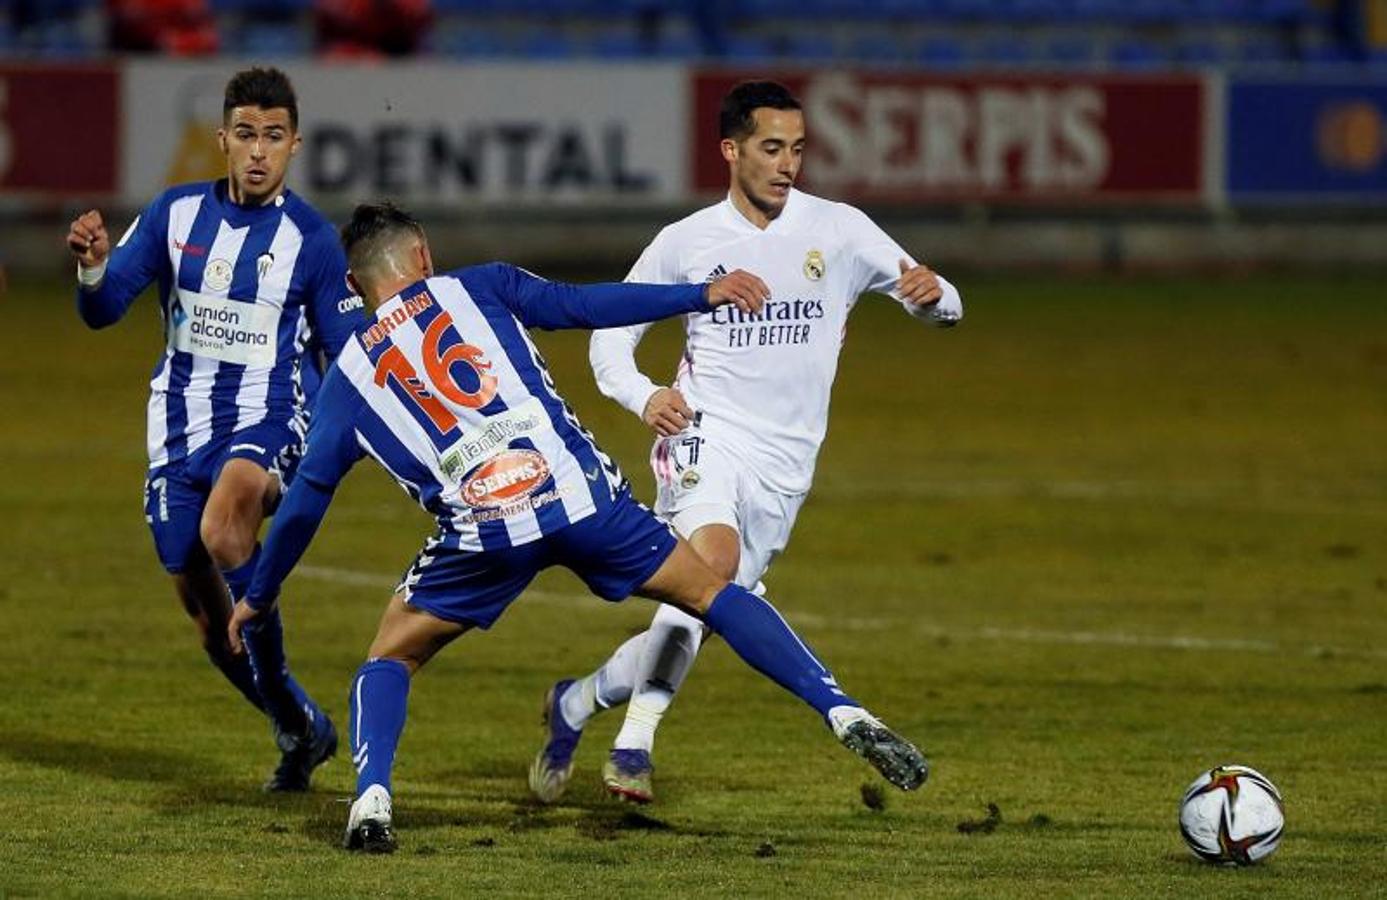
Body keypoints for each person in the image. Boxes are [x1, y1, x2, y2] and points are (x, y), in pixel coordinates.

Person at [226, 202, 929, 854]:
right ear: (423, 256)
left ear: (355, 283)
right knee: (710, 592)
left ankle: (372, 799)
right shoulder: (484, 287)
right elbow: (584, 304)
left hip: (482, 535)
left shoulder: (349, 375)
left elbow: (306, 500)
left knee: (389, 656)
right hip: (580, 500)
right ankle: (841, 711)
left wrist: (258, 594)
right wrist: (696, 294)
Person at [534, 80, 963, 805]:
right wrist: (646, 396)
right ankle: (634, 744)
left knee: (706, 604)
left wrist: (932, 300)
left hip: (786, 464)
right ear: (731, 150)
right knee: (712, 563)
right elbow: (610, 338)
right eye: (770, 148)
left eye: (796, 149)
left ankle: (573, 703)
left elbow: (942, 303)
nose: (786, 163)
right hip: (704, 435)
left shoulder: (840, 228)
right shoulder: (686, 242)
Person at [65, 67, 364, 791]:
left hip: (271, 414)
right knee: (206, 617)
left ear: (294, 145)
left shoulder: (312, 241)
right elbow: (104, 311)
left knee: (227, 526)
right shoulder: (174, 214)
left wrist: (338, 440)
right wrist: (95, 269)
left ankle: (262, 616)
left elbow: (349, 356)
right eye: (245, 136)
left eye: (273, 137)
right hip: (178, 424)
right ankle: (298, 725)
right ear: (222, 140)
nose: (258, 152)